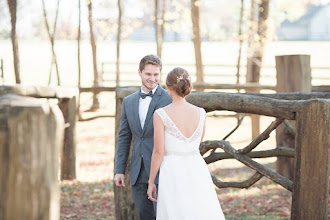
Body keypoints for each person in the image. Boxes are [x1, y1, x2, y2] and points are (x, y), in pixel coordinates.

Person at [147, 67, 226, 219]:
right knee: (199, 210)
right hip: (196, 167)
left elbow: (158, 151)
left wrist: (151, 181)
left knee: (176, 211)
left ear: (168, 88)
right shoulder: (201, 112)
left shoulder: (161, 114)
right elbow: (198, 142)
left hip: (173, 170)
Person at [114, 54, 172, 220]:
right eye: (148, 74)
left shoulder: (168, 100)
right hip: (138, 172)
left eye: (156, 74)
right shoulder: (128, 102)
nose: (152, 79)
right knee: (144, 216)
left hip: (163, 170)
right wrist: (119, 170)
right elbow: (124, 137)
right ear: (139, 72)